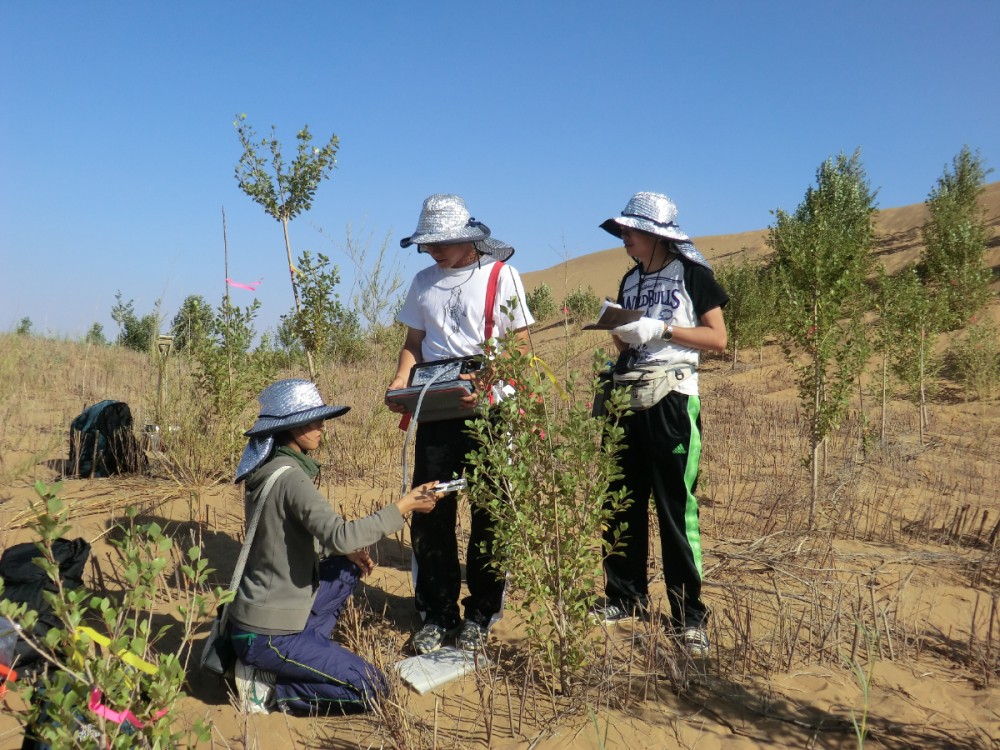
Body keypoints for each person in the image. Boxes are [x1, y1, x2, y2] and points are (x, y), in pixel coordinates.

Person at [229, 378, 442, 714]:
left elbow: (288, 538)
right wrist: (405, 506)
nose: (320, 428)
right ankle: (275, 690)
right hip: (269, 635)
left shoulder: (271, 468)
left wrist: (341, 552)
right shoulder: (290, 477)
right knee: (375, 688)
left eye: (321, 420)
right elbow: (341, 535)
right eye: (311, 421)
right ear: (288, 427)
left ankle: (301, 655)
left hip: (266, 618)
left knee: (346, 566)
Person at [385, 194, 534, 654]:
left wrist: (489, 382)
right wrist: (399, 379)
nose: (433, 252)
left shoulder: (500, 276)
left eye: (441, 243)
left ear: (468, 238)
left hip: (489, 405)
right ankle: (436, 612)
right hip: (433, 402)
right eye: (428, 245)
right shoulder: (422, 282)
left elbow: (521, 348)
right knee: (429, 509)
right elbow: (415, 341)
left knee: (489, 510)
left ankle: (482, 613)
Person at [594, 192, 728, 658]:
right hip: (628, 397)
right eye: (624, 232)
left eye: (630, 232)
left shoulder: (693, 273)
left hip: (673, 398)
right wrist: (623, 331)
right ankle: (623, 596)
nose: (624, 240)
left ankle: (689, 617)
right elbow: (628, 342)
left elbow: (719, 339)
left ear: (654, 234)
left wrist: (663, 329)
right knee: (621, 500)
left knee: (674, 508)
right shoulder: (630, 279)